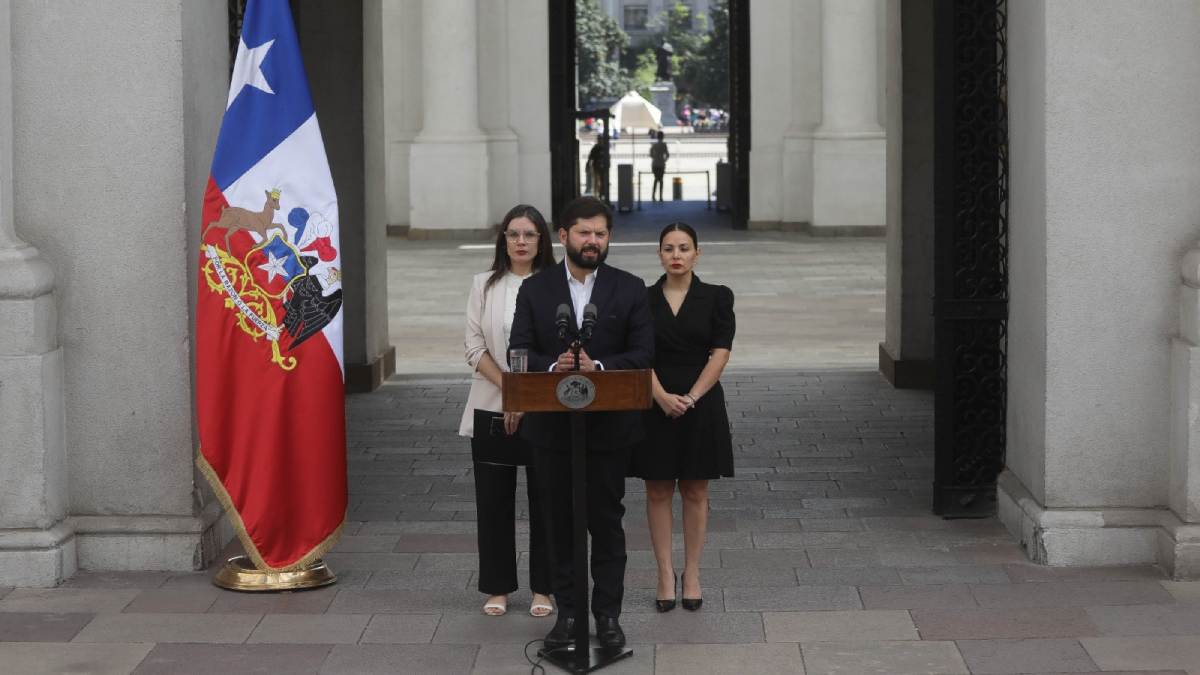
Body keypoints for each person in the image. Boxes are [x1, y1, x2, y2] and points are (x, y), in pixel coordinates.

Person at [508, 196, 654, 650]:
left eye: (601, 234)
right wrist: (555, 366)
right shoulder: (535, 290)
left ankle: (607, 617)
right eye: (585, 233)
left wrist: (600, 367)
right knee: (559, 524)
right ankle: (569, 616)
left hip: (609, 432)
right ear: (563, 236)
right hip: (552, 433)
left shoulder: (630, 288)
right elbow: (519, 349)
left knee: (606, 524)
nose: (593, 241)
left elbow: (643, 353)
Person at [629, 222, 735, 613]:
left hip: (700, 401)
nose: (676, 255)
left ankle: (692, 573)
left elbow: (720, 352)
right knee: (657, 490)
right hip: (654, 399)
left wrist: (690, 397)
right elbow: (637, 353)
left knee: (695, 490)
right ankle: (663, 573)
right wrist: (660, 396)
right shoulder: (641, 299)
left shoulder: (717, 296)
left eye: (684, 248)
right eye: (669, 248)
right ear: (659, 254)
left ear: (697, 253)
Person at [458, 204, 557, 618]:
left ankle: (544, 588)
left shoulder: (556, 285)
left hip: (544, 406)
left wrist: (526, 396)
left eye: (529, 234)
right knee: (493, 501)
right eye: (513, 234)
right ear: (503, 239)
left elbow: (558, 348)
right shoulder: (484, 284)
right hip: (491, 402)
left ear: (541, 240)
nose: (520, 242)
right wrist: (510, 390)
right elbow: (474, 347)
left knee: (546, 500)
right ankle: (497, 587)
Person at [649, 131, 670, 202]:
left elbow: (650, 154)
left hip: (655, 164)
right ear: (663, 137)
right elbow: (667, 155)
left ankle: (653, 196)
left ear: (657, 137)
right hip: (661, 164)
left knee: (655, 179)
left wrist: (654, 157)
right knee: (661, 180)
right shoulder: (664, 145)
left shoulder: (654, 145)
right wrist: (664, 160)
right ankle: (660, 196)